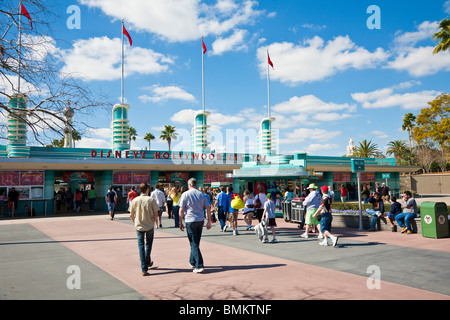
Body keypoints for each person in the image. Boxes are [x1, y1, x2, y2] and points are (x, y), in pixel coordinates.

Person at [178, 178, 212, 274]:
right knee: (195, 242)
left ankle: (199, 264)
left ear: (189, 185)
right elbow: (208, 208)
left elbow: (181, 209)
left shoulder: (185, 194)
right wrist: (209, 221)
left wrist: (180, 222)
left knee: (193, 242)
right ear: (196, 184)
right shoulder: (202, 194)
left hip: (190, 220)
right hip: (200, 220)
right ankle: (192, 261)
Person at [129, 182, 160, 276]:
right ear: (147, 189)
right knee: (149, 244)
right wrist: (154, 221)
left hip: (139, 226)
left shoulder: (135, 200)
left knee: (141, 245)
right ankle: (147, 261)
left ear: (139, 190)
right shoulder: (151, 200)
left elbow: (131, 214)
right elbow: (156, 213)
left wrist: (135, 222)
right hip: (149, 225)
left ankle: (144, 268)